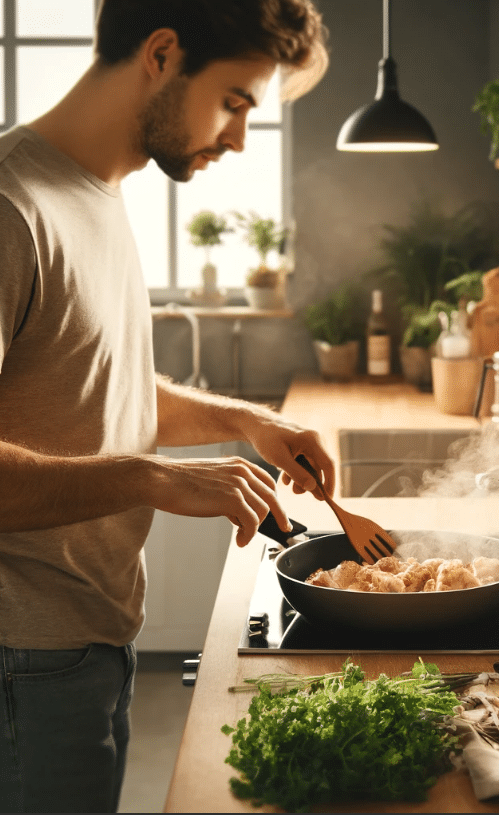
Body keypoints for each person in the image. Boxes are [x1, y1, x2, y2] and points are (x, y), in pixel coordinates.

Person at [0, 1, 330, 811]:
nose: (239, 137)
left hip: (91, 641)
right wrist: (153, 478)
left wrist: (245, 421)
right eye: (236, 101)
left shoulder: (98, 191)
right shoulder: (11, 204)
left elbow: (90, 386)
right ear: (161, 53)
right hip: (23, 661)